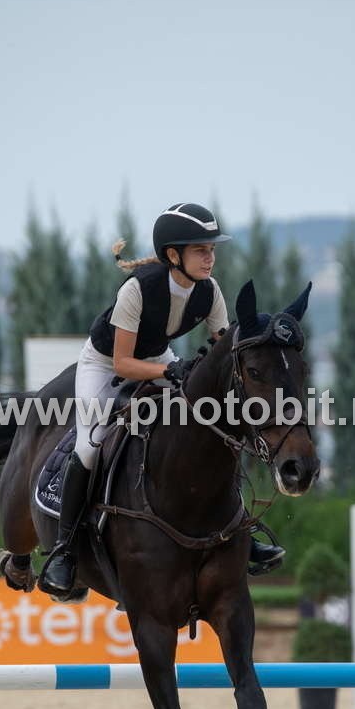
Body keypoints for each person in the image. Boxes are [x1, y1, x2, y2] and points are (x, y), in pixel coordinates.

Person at [38, 203, 285, 596]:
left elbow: (227, 350)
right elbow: (122, 362)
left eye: (212, 249)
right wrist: (170, 370)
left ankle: (240, 529)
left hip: (156, 359)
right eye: (201, 250)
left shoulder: (209, 290)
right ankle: (64, 551)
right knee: (89, 443)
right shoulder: (137, 289)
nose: (210, 258)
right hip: (104, 364)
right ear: (173, 255)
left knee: (206, 431)